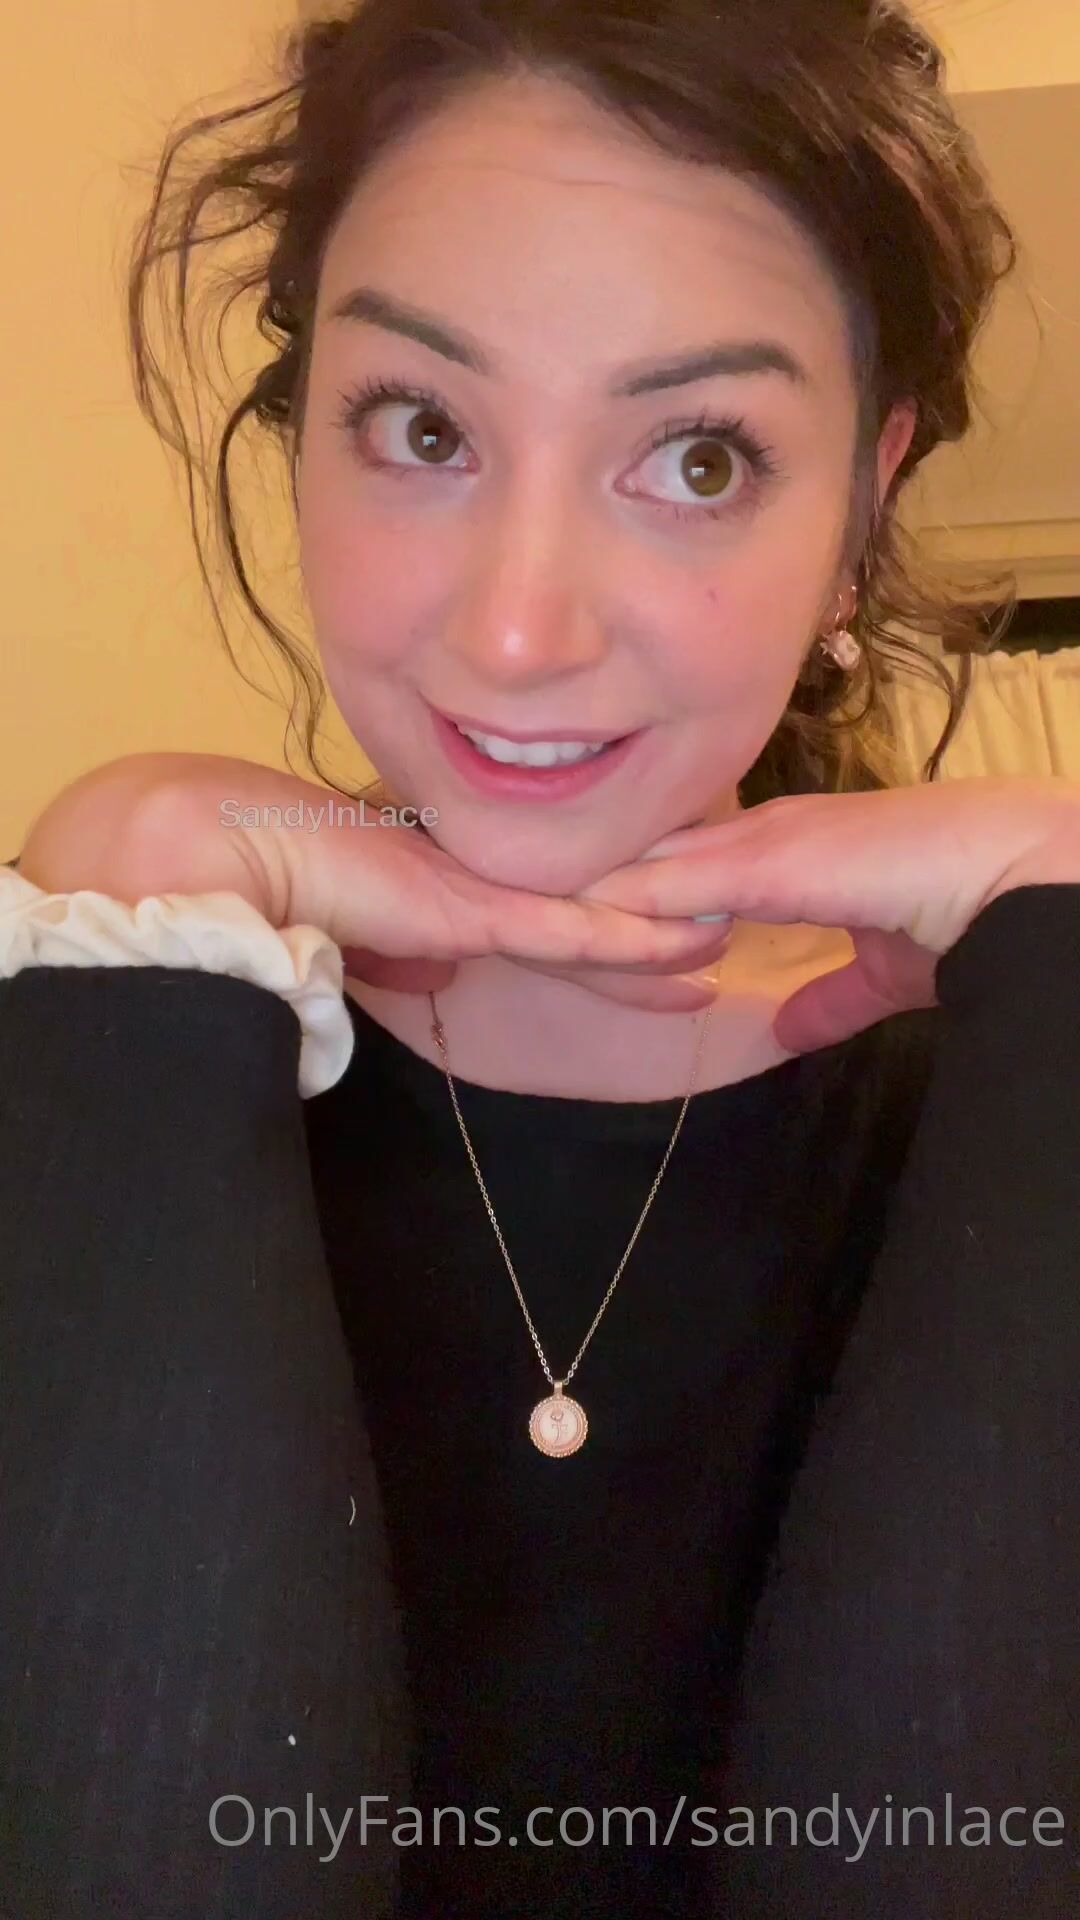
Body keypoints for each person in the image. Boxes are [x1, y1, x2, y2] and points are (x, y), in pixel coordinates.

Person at [1, 0, 1078, 1914]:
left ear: (863, 511)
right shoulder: (88, 1044)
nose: (516, 633)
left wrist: (1062, 903)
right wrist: (132, 886)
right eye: (424, 429)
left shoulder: (1005, 1113)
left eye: (700, 458)